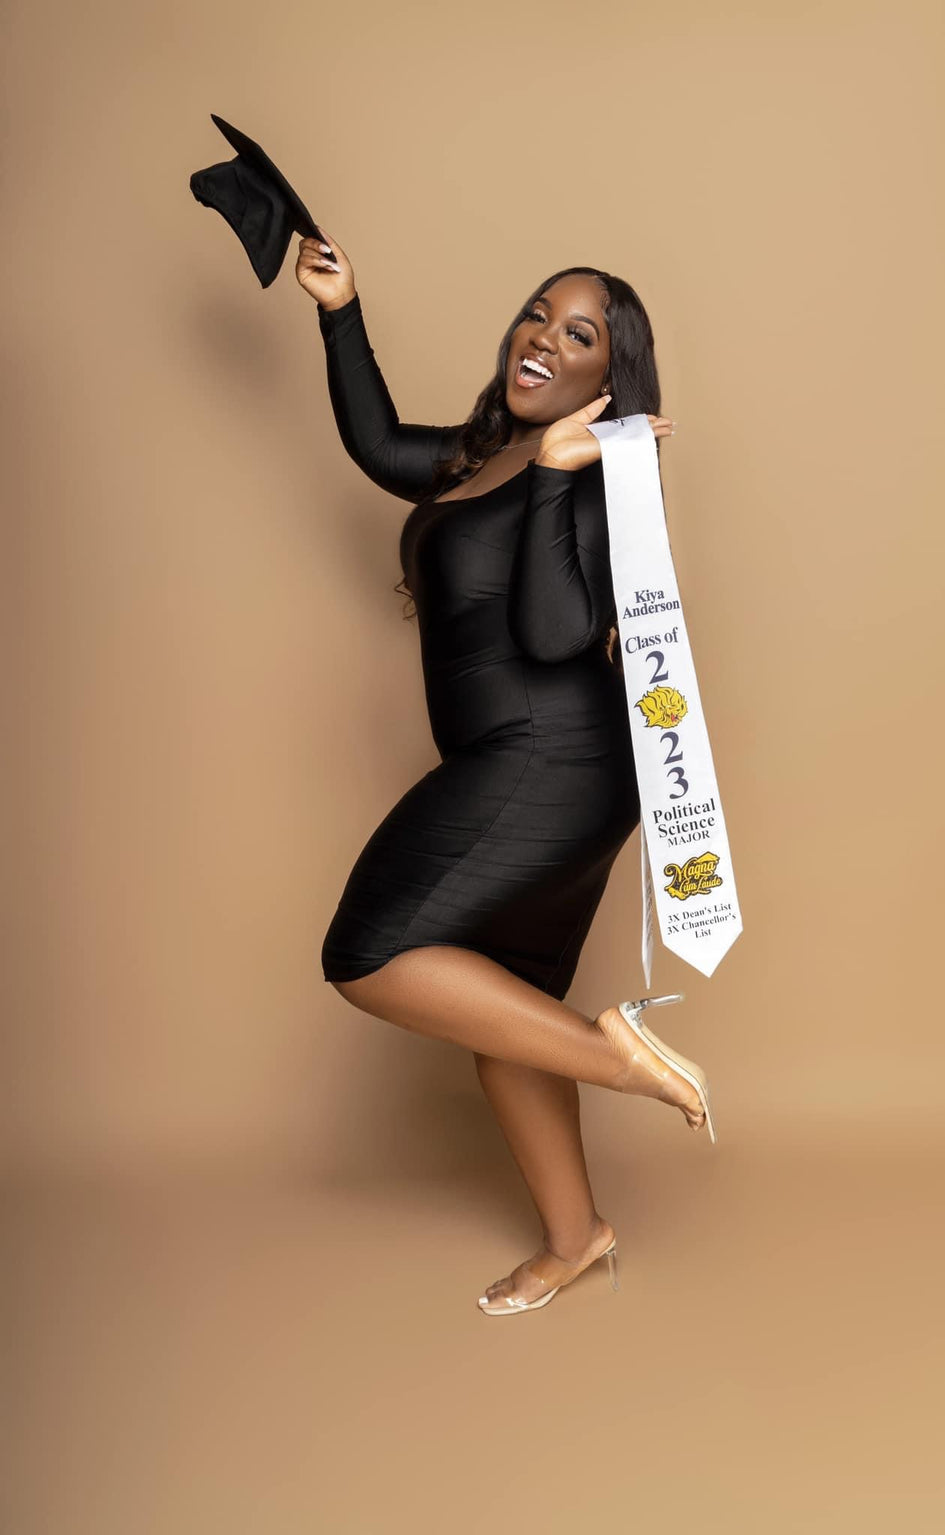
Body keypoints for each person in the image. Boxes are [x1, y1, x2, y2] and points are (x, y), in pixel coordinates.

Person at [299, 227, 712, 1315]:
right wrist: (340, 309)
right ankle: (578, 1236)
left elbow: (551, 631)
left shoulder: (597, 473)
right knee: (504, 1016)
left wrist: (555, 482)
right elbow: (379, 442)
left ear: (607, 376)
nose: (541, 338)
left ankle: (619, 1057)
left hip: (553, 758)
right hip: (530, 762)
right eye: (537, 312)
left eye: (576, 333)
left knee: (368, 949)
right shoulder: (480, 450)